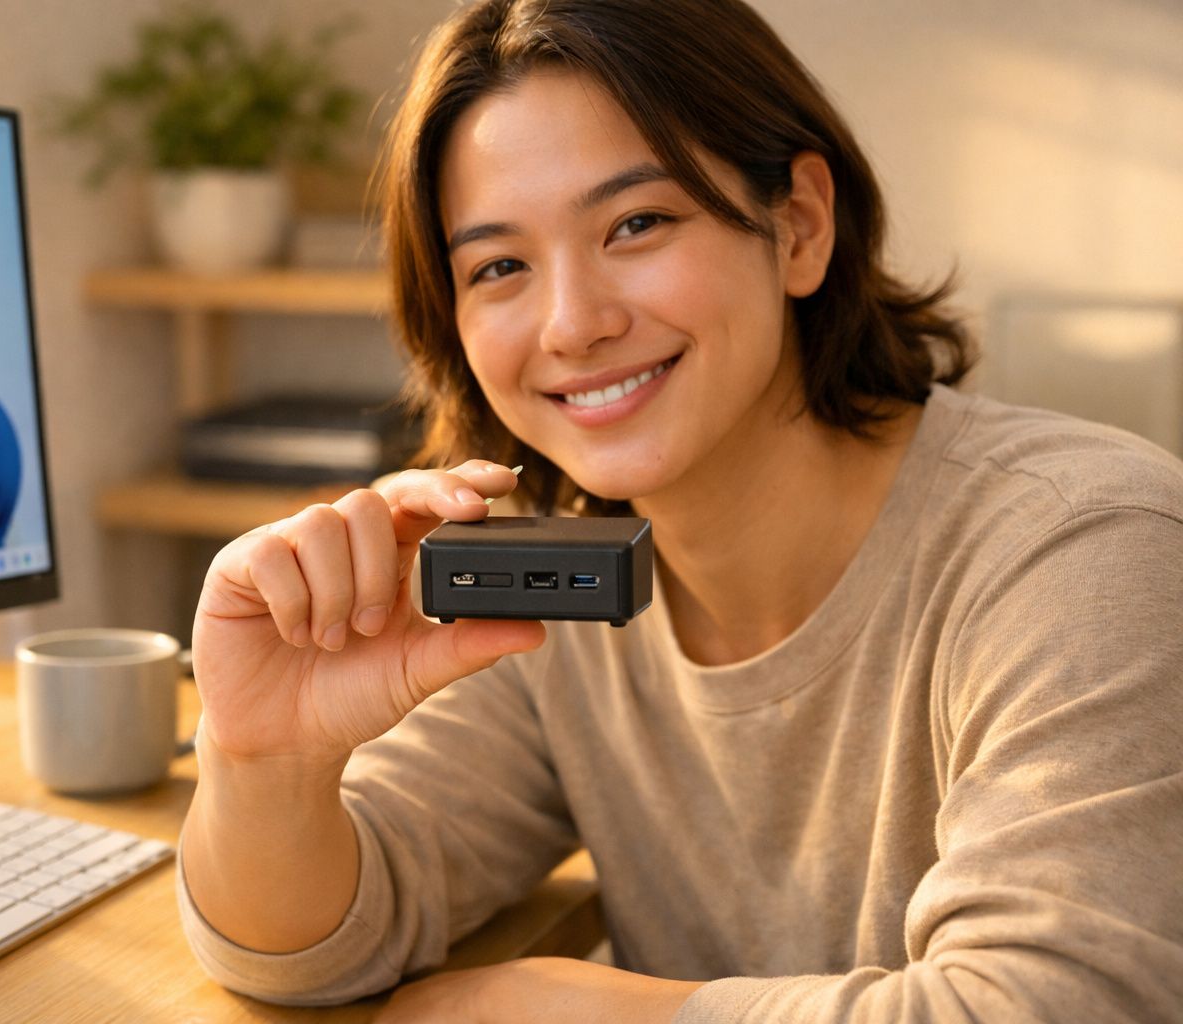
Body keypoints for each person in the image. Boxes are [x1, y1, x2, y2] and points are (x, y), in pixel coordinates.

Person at [176, 0, 1183, 1019]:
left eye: (637, 223)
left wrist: (588, 1010)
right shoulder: (558, 581)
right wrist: (265, 761)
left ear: (798, 226)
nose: (573, 323)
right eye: (499, 266)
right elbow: (305, 948)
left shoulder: (1087, 547)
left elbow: (1051, 1004)